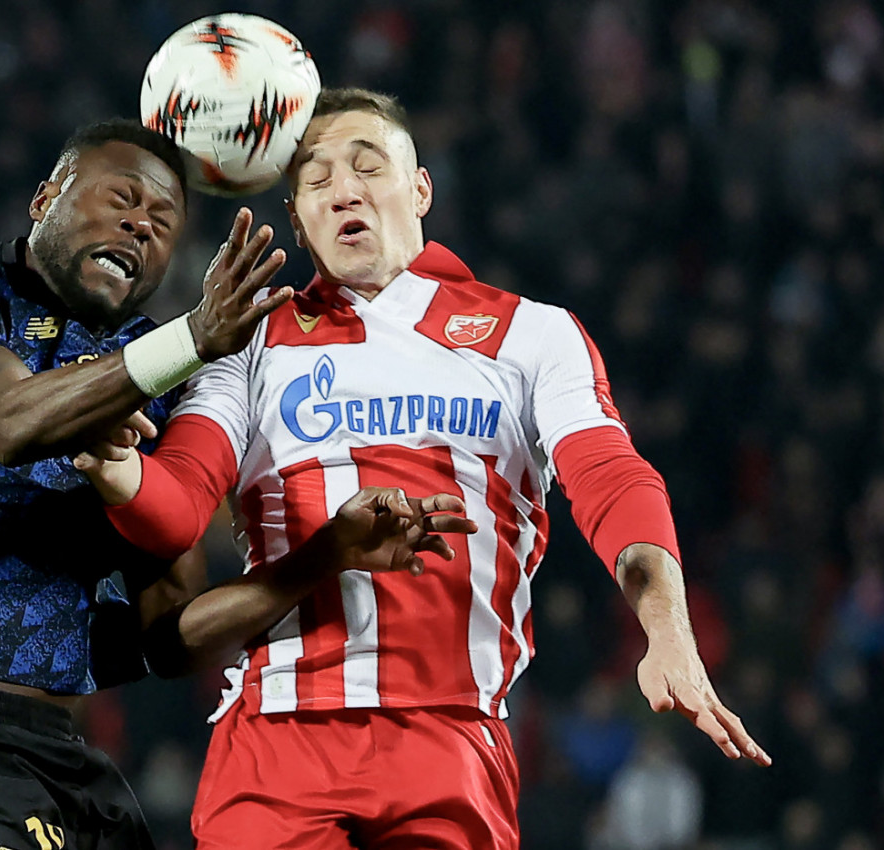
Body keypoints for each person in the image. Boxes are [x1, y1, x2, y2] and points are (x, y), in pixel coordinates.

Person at [74, 90, 774, 850]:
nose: (343, 189)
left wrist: (665, 627)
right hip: (278, 739)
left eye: (368, 166)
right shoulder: (248, 341)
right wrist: (116, 467)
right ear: (299, 220)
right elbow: (179, 499)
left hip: (452, 748)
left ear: (420, 190)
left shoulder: (530, 333)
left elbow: (613, 479)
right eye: (315, 179)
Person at [0, 116, 473, 850]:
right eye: (122, 199)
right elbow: (8, 418)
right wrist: (192, 339)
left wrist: (324, 556)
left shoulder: (149, 373)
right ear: (45, 200)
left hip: (58, 753)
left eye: (163, 224)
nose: (141, 226)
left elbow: (171, 637)